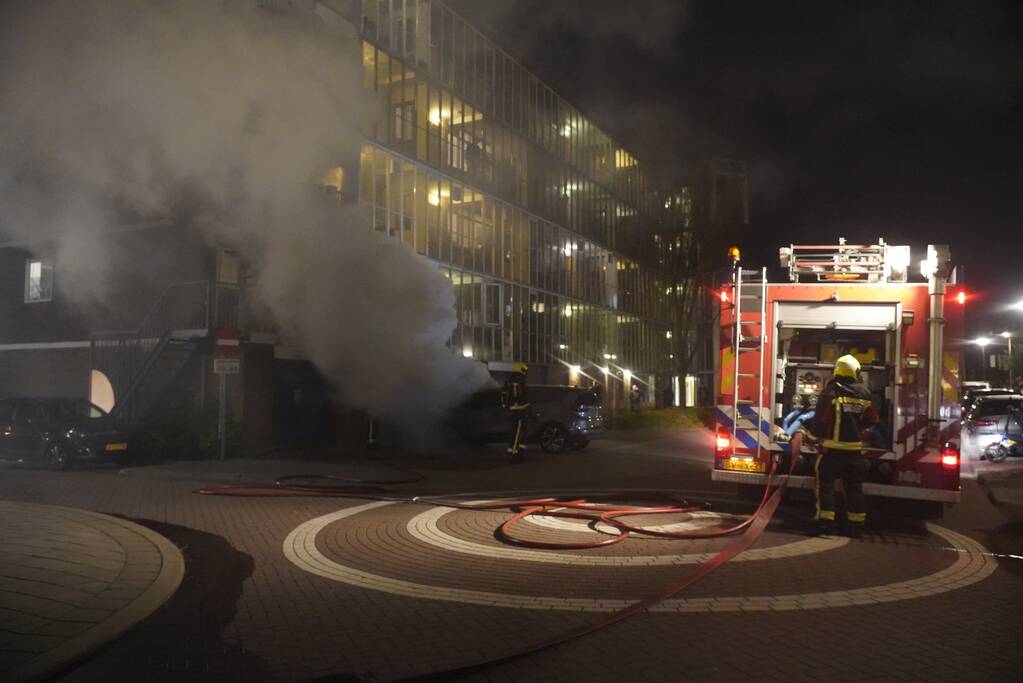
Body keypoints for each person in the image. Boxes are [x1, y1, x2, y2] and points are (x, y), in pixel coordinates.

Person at [804, 354, 879, 538]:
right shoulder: (864, 394)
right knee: (854, 487)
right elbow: (873, 419)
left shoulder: (831, 393)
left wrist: (810, 437)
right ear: (855, 372)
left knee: (826, 487)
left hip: (831, 452)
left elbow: (820, 421)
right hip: (854, 453)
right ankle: (856, 526)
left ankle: (825, 524)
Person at [502, 362, 530, 461]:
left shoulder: (511, 380)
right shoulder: (517, 380)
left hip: (517, 410)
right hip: (518, 411)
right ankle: (515, 455)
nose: (525, 372)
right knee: (518, 433)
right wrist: (526, 405)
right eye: (524, 370)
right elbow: (519, 396)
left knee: (520, 433)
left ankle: (519, 453)